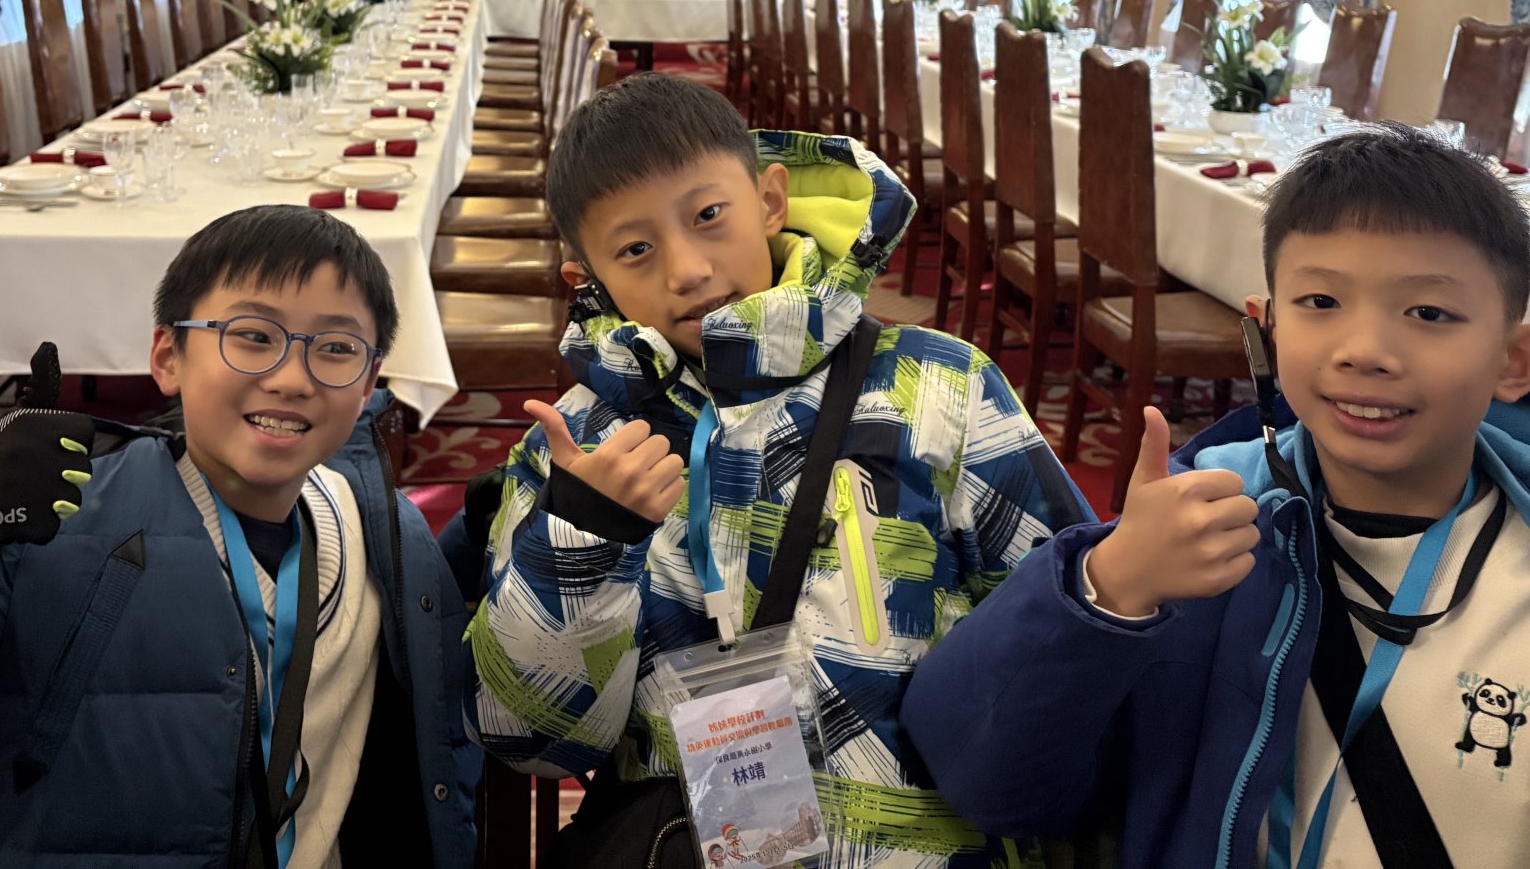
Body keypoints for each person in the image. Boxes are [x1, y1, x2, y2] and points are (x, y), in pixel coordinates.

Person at [0, 204, 480, 868]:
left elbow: (460, 718)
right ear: (167, 357)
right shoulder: (56, 527)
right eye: (251, 335)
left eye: (336, 348)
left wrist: (509, 535)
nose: (292, 376)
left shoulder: (390, 533)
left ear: (371, 381)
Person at [901, 122, 1530, 868]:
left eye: (1428, 313)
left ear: (1515, 360)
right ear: (1263, 333)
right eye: (1321, 300)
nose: (1364, 350)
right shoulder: (1193, 532)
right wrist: (1106, 587)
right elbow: (991, 786)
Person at [465, 72, 1089, 868]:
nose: (686, 270)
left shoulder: (941, 388)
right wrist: (582, 541)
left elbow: (1056, 646)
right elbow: (530, 739)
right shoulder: (582, 447)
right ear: (589, 279)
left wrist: (1114, 582)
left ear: (769, 200)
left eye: (708, 216)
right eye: (635, 249)